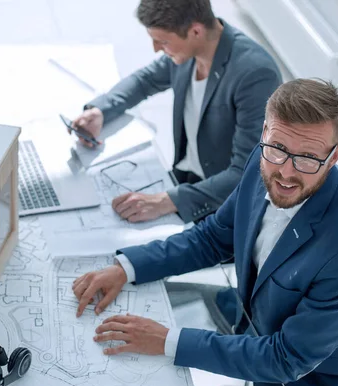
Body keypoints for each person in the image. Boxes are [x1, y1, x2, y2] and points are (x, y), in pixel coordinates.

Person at [72, 79, 338, 386]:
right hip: (254, 318)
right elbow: (213, 237)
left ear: (334, 154)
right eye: (278, 148)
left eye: (308, 158)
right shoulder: (262, 160)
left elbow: (286, 360)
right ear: (265, 133)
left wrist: (167, 340)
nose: (285, 172)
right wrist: (127, 267)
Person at [71, 0, 281, 224]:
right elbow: (145, 80)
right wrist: (101, 110)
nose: (156, 49)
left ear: (195, 31)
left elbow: (246, 173)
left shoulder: (255, 74)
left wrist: (166, 201)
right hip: (184, 177)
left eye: (162, 41)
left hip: (221, 204)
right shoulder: (187, 53)